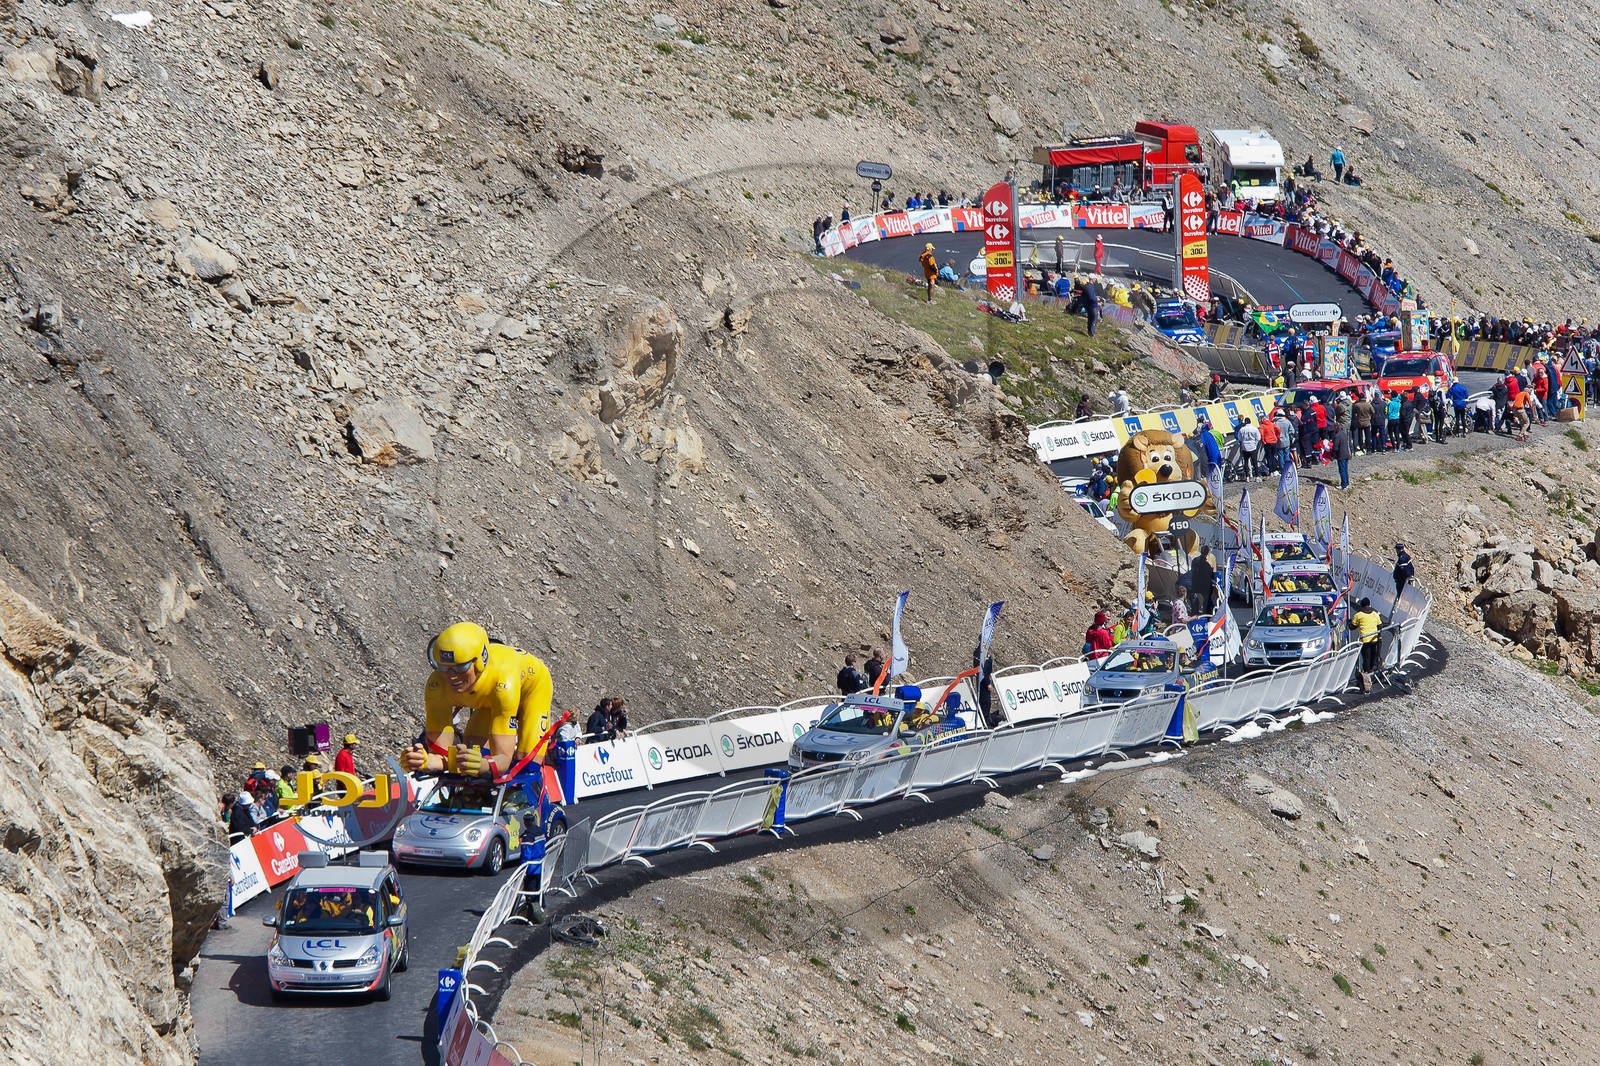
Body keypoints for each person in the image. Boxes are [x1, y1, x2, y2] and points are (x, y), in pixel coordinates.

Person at [402, 622, 556, 779]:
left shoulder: (503, 684)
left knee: (526, 766)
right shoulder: (436, 685)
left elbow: (503, 758)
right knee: (468, 757)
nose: (451, 676)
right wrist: (424, 761)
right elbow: (445, 758)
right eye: (443, 667)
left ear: (480, 662)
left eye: (461, 668)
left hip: (532, 688)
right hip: (487, 698)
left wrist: (483, 765)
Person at [1348, 597, 1383, 681]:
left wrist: (1349, 622)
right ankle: (1371, 672)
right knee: (1373, 656)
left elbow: (1352, 627)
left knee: (1366, 658)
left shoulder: (1358, 615)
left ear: (1362, 606)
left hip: (1365, 640)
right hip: (1374, 639)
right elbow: (1380, 625)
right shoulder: (1375, 614)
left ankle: (1367, 675)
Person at [972, 646, 997, 727]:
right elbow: (983, 670)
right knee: (985, 702)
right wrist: (988, 683)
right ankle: (984, 722)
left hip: (981, 678)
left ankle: (984, 720)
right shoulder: (981, 653)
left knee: (983, 701)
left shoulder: (979, 651)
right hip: (983, 679)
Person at [1191, 547, 1216, 614]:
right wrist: (1211, 570)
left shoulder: (1195, 560)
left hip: (1194, 584)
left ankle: (1195, 613)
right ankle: (1205, 614)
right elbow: (1208, 576)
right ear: (1207, 553)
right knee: (1207, 598)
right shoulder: (1206, 565)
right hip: (1203, 587)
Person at [1332, 422, 1352, 490]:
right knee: (1345, 469)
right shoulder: (1343, 433)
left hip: (1341, 455)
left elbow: (1335, 447)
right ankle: (1346, 483)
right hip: (1346, 453)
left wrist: (1332, 455)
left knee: (1342, 470)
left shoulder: (1337, 436)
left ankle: (1344, 484)